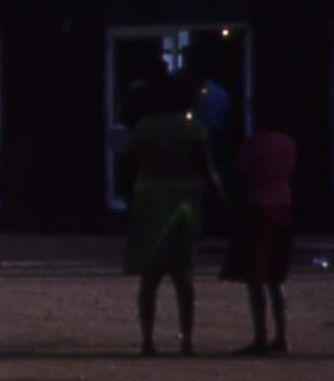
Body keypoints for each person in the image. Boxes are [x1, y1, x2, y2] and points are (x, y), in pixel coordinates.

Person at [122, 70, 225, 357]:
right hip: (184, 201)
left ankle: (147, 340)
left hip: (149, 198)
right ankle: (186, 341)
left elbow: (128, 168)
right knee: (183, 277)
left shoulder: (143, 127)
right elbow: (208, 170)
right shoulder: (193, 128)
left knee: (150, 277)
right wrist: (223, 207)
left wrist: (129, 204)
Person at [225, 115, 298, 354]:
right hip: (283, 205)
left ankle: (261, 336)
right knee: (276, 277)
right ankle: (282, 335)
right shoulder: (287, 143)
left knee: (255, 275)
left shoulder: (253, 143)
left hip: (255, 207)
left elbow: (239, 173)